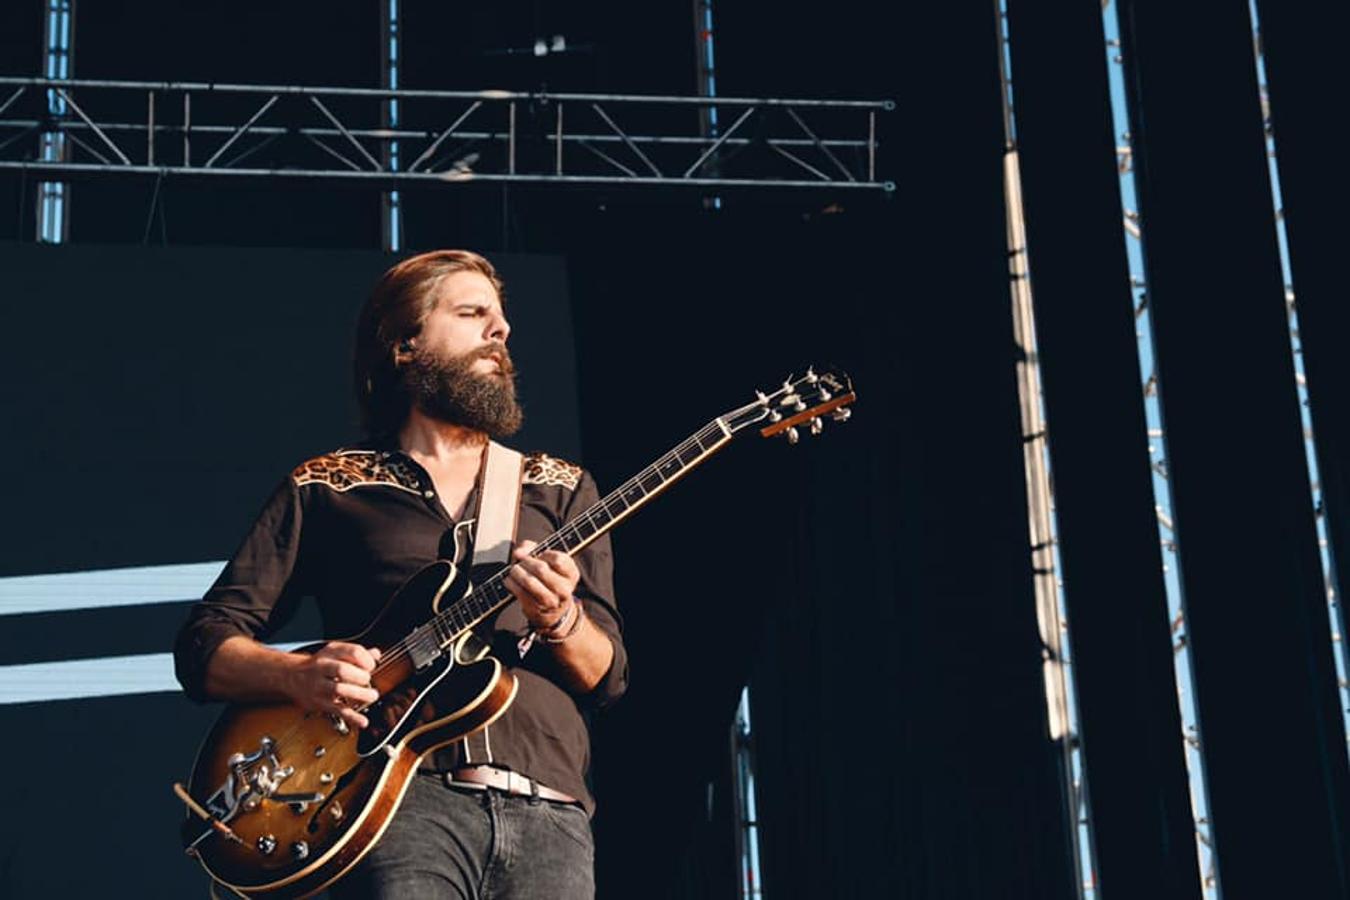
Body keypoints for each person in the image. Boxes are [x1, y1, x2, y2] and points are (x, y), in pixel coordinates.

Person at [173, 249, 628, 899]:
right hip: (396, 806)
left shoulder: (558, 487)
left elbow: (605, 675)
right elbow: (204, 644)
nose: (499, 331)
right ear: (404, 345)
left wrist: (561, 618)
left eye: (502, 319)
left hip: (549, 813)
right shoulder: (329, 485)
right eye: (472, 313)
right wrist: (300, 674)